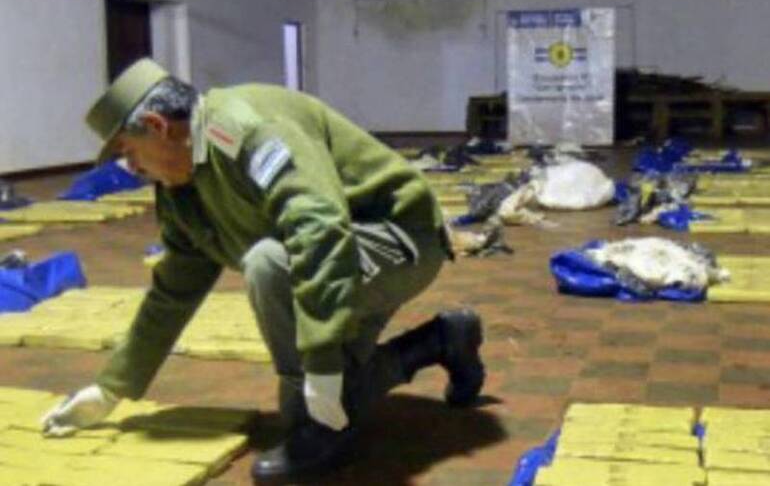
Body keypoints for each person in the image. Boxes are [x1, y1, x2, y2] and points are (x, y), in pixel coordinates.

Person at [40, 59, 485, 483]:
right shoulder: (181, 191)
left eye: (130, 152)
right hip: (343, 253)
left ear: (158, 126)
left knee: (269, 265)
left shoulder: (244, 130)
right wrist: (110, 389)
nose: (134, 169)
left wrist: (320, 365)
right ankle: (443, 340)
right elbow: (172, 292)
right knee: (337, 392)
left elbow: (317, 226)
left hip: (399, 238)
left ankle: (321, 426)